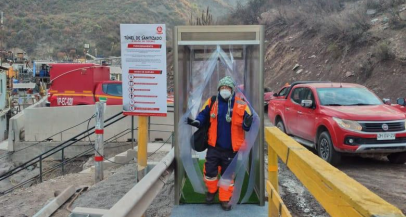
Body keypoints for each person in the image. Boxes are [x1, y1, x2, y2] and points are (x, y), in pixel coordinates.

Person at [187, 76, 253, 211]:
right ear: (218, 89)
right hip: (213, 147)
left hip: (231, 149)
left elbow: (248, 124)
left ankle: (224, 199)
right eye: (222, 88)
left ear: (232, 89)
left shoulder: (242, 104)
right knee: (209, 172)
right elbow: (203, 115)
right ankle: (211, 192)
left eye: (227, 88)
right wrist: (197, 122)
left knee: (227, 176)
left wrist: (247, 123)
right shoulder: (212, 101)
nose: (224, 90)